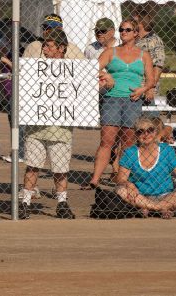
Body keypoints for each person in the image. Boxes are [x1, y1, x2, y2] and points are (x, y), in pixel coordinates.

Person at [84, 18, 155, 189]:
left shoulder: (143, 55)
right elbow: (92, 68)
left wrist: (142, 90)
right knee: (107, 140)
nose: (123, 32)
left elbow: (151, 80)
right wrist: (106, 77)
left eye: (128, 30)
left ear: (136, 33)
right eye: (121, 29)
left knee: (128, 141)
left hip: (132, 100)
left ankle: (123, 178)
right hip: (112, 99)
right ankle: (95, 179)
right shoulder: (111, 52)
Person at [19, 29, 76, 220]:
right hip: (36, 127)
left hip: (60, 128)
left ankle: (62, 202)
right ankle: (25, 201)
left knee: (60, 168)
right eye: (44, 45)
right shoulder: (35, 68)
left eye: (50, 45)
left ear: (61, 48)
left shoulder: (73, 71)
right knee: (32, 166)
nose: (45, 49)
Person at [114, 116, 176, 219]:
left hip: (166, 196)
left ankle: (150, 208)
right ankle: (161, 209)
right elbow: (120, 179)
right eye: (141, 131)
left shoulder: (166, 150)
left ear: (155, 132)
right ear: (136, 135)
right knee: (121, 190)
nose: (146, 134)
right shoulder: (130, 152)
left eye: (150, 130)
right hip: (140, 195)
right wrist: (129, 184)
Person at [131, 7, 165, 115]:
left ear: (141, 22)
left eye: (134, 21)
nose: (131, 23)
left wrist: (150, 88)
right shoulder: (134, 40)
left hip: (146, 91)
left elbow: (158, 66)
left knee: (150, 123)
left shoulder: (154, 40)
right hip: (133, 88)